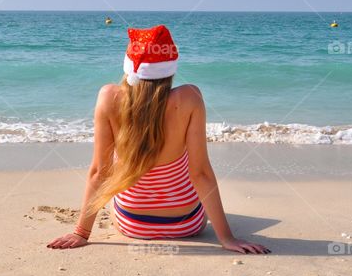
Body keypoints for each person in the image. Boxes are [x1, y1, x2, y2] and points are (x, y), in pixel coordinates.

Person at [47, 25, 270, 254]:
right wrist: (227, 238)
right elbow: (200, 174)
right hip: (187, 223)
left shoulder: (109, 97)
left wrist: (81, 232)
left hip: (133, 224)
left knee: (119, 163)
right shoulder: (189, 98)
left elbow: (99, 172)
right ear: (170, 67)